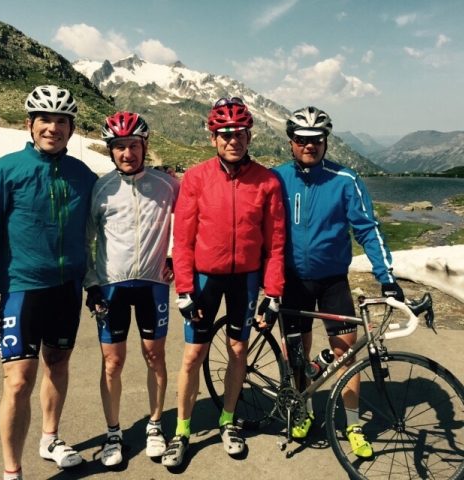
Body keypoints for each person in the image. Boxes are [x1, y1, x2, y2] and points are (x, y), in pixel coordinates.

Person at [272, 106, 404, 458]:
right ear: (291, 142)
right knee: (296, 356)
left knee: (347, 354)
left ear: (326, 141)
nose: (310, 145)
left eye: (317, 139)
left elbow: (367, 230)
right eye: (302, 139)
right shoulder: (276, 178)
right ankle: (303, 410)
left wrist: (386, 278)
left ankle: (353, 424)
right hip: (292, 282)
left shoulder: (346, 180)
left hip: (332, 282)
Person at [161, 97, 286, 468]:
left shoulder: (267, 181)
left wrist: (274, 292)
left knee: (238, 350)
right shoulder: (196, 177)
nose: (233, 140)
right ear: (213, 138)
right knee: (193, 355)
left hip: (245, 280)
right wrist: (184, 289)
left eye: (240, 134)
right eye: (226, 134)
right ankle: (182, 430)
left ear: (249, 137)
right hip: (205, 279)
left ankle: (228, 421)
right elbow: (183, 240)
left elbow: (276, 243)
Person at [0, 85, 98, 480]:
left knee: (58, 364)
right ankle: (12, 472)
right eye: (44, 120)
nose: (53, 128)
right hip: (22, 288)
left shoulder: (83, 175)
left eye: (61, 121)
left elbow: (100, 229)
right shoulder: (4, 170)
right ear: (29, 125)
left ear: (71, 128)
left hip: (67, 288)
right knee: (18, 382)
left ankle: (49, 439)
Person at [83, 112, 180, 467]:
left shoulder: (168, 185)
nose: (127, 153)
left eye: (134, 145)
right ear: (111, 150)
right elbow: (85, 240)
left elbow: (187, 222)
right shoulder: (101, 188)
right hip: (112, 286)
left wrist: (174, 256)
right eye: (120, 146)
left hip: (153, 284)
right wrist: (91, 283)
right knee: (113, 362)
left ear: (144, 146)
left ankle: (155, 426)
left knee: (155, 356)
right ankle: (113, 433)